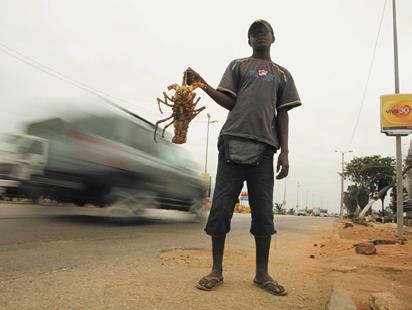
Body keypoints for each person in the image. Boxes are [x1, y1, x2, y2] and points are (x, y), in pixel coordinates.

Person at [186, 19, 301, 296]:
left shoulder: (282, 74)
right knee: (221, 208)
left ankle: (262, 274)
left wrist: (285, 151)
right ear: (248, 40)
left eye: (264, 33)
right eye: (254, 34)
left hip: (264, 150)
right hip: (231, 146)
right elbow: (228, 101)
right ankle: (216, 270)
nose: (259, 36)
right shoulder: (238, 66)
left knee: (263, 212)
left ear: (274, 38)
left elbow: (282, 113)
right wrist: (201, 84)